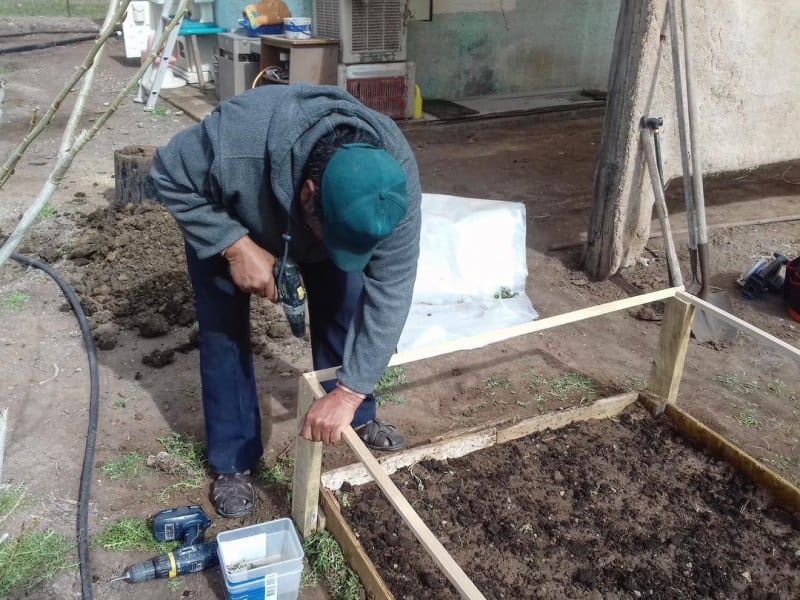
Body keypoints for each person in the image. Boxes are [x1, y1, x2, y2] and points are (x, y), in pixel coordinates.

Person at [150, 83, 421, 518]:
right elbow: (166, 173)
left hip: (319, 221)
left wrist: (350, 392)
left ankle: (355, 412)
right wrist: (235, 245)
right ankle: (234, 459)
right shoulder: (234, 147)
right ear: (310, 194)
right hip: (232, 214)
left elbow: (392, 288)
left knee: (343, 305)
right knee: (224, 331)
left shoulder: (392, 180)